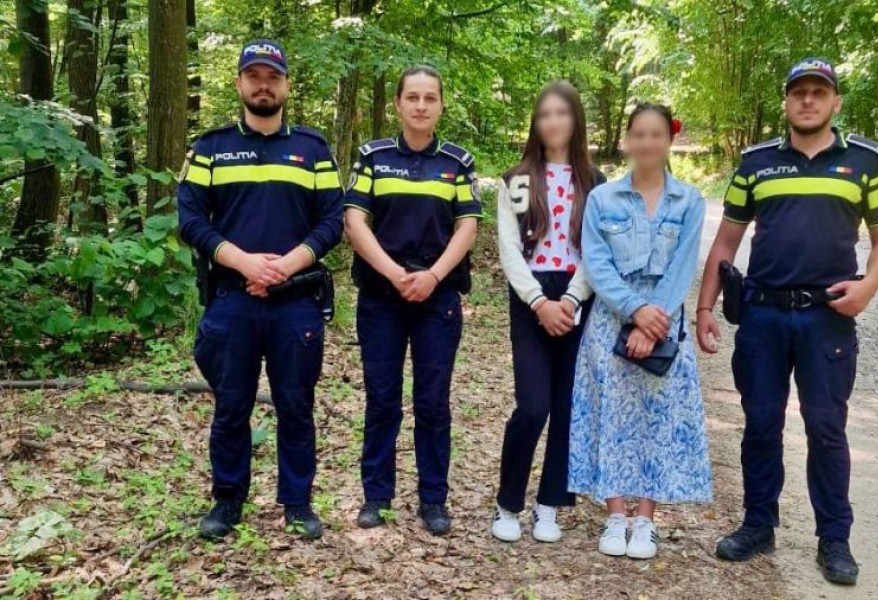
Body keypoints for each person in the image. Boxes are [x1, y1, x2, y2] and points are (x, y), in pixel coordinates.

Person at [695, 58, 878, 585]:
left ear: (835, 102)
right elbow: (726, 241)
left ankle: (834, 538)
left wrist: (867, 289)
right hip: (762, 316)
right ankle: (758, 525)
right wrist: (704, 308)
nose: (808, 100)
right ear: (786, 101)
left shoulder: (865, 162)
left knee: (826, 428)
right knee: (760, 424)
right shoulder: (756, 163)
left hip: (827, 318)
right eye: (799, 92)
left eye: (818, 92)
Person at [177, 39, 344, 540]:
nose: (263, 85)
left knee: (296, 405)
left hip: (296, 301)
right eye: (254, 76)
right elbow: (190, 219)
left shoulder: (313, 150)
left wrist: (287, 265)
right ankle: (227, 500)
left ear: (286, 85)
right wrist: (242, 261)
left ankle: (298, 502)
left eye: (273, 77)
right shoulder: (211, 148)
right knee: (231, 405)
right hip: (233, 298)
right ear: (239, 83)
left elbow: (333, 220)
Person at [568, 103, 712, 560]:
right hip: (611, 318)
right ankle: (615, 515)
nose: (647, 143)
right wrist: (633, 310)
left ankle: (646, 518)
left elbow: (684, 265)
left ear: (669, 140)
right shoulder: (602, 199)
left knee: (658, 416)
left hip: (665, 321)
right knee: (610, 412)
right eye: (639, 134)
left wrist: (653, 322)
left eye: (656, 134)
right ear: (628, 140)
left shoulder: (689, 201)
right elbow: (596, 262)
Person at [343, 65, 481, 536]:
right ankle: (376, 497)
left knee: (433, 401)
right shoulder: (373, 157)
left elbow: (467, 226)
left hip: (437, 299)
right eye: (413, 97)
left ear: (441, 105)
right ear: (398, 104)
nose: (421, 106)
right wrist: (395, 273)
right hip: (382, 297)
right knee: (382, 399)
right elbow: (355, 221)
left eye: (430, 98)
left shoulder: (458, 162)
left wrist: (433, 275)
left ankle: (433, 500)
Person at [491, 81, 606, 544]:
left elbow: (598, 251)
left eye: (562, 113)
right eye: (544, 114)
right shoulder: (517, 180)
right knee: (533, 405)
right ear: (535, 123)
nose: (553, 122)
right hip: (531, 297)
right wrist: (539, 302)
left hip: (578, 295)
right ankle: (507, 503)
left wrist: (573, 299)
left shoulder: (595, 183)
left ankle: (550, 504)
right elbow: (509, 249)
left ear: (576, 120)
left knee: (567, 407)